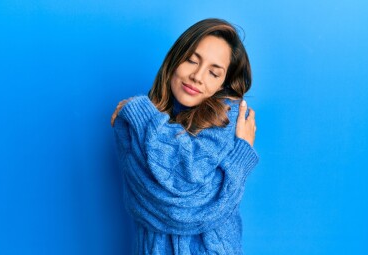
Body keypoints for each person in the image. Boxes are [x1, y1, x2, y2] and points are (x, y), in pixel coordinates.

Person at [111, 18, 259, 255]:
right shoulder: (133, 124)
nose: (198, 76)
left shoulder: (226, 116)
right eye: (191, 60)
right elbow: (156, 208)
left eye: (214, 72)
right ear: (175, 58)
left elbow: (187, 206)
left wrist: (142, 113)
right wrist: (143, 115)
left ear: (224, 83)